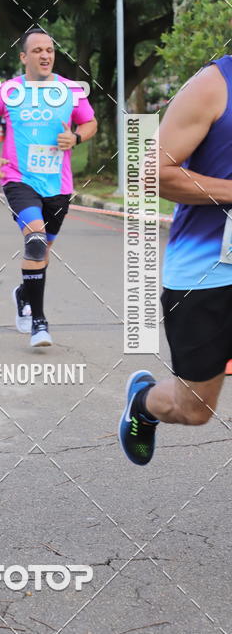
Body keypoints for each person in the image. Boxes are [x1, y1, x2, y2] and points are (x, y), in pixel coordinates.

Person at [119, 55, 232, 466]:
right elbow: (154, 174)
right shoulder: (215, 84)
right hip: (208, 273)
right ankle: (145, 404)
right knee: (195, 408)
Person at [0, 28, 97, 346]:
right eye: (38, 50)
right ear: (23, 57)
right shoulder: (7, 91)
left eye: (50, 50)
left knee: (43, 252)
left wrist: (77, 137)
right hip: (19, 179)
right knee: (36, 243)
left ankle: (23, 292)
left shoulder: (70, 90)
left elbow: (90, 122)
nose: (45, 55)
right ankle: (39, 323)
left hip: (58, 183)